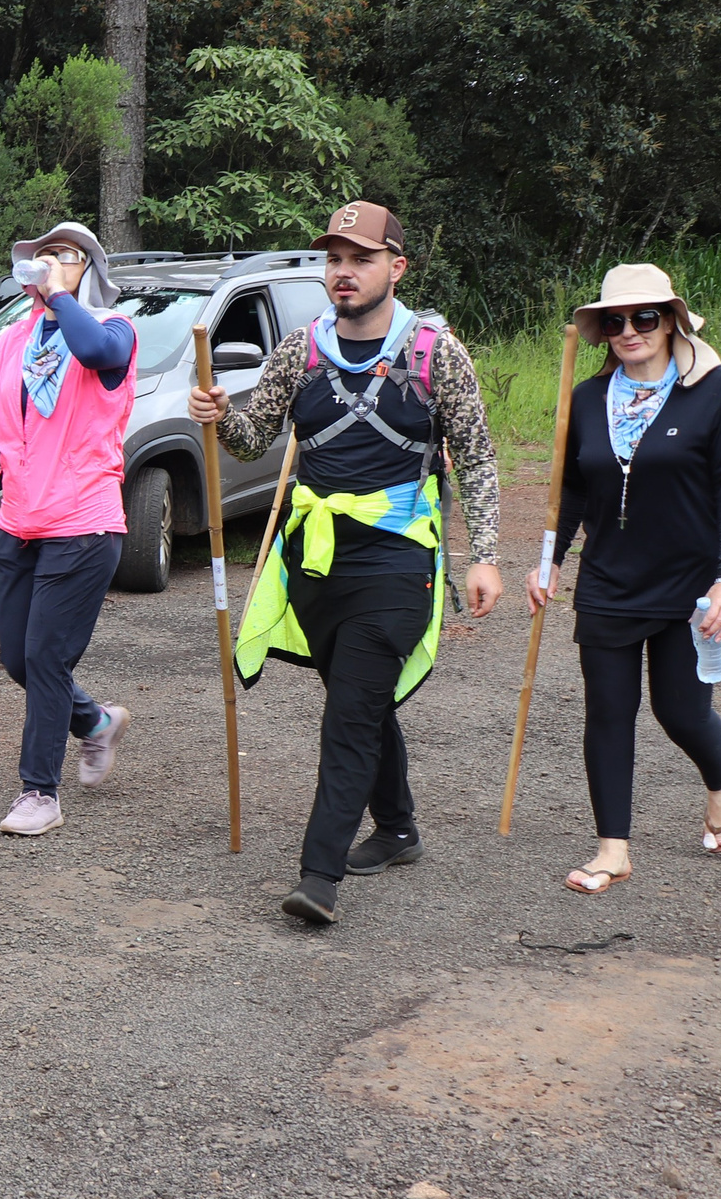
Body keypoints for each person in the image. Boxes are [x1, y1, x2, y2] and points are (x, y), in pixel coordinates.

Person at [189, 201, 504, 925]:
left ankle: (318, 877)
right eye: (334, 258)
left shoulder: (434, 351)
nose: (343, 271)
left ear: (395, 267)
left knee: (348, 716)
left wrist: (485, 556)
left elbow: (479, 456)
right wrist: (217, 415)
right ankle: (397, 828)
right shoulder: (297, 350)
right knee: (364, 704)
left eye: (360, 258)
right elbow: (250, 438)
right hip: (316, 564)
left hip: (399, 562)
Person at [0, 221, 139, 836]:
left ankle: (41, 792)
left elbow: (95, 354)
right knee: (19, 658)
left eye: (63, 257)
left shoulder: (116, 331)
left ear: (87, 268)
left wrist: (63, 296)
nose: (47, 265)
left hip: (85, 523)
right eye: (41, 258)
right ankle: (94, 723)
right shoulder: (14, 339)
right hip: (20, 520)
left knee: (45, 656)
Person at [527, 263, 721, 888]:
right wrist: (551, 558)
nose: (629, 330)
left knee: (680, 711)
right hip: (608, 582)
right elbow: (568, 489)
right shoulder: (589, 399)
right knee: (609, 712)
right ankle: (612, 850)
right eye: (615, 321)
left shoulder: (717, 390)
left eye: (644, 317)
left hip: (690, 583)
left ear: (672, 320)